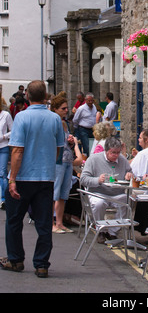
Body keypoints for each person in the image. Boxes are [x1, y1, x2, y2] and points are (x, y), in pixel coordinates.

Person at [0, 80, 64, 277]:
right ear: (45, 96)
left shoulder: (21, 117)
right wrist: (46, 166)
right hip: (45, 179)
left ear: (27, 95)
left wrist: (12, 179)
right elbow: (58, 148)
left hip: (24, 178)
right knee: (44, 222)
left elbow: (17, 151)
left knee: (13, 221)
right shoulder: (54, 119)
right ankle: (41, 264)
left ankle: (16, 260)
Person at [80, 136, 133, 243]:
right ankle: (101, 230)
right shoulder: (93, 159)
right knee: (99, 203)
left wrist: (129, 175)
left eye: (118, 152)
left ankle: (113, 232)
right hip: (97, 192)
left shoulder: (122, 160)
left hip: (117, 193)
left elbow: (131, 173)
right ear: (106, 150)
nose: (116, 155)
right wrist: (98, 180)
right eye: (113, 152)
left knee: (127, 201)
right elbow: (83, 179)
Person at [51, 93, 84, 234]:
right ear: (55, 109)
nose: (66, 111)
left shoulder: (65, 123)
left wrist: (71, 142)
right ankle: (51, 223)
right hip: (58, 161)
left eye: (66, 108)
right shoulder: (53, 122)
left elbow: (65, 144)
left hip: (67, 160)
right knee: (55, 193)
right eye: (63, 108)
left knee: (63, 194)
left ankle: (60, 222)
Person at [72, 92, 97, 157]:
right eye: (89, 101)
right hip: (83, 129)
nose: (90, 102)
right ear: (86, 100)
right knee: (87, 146)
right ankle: (89, 160)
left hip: (92, 129)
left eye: (92, 100)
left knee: (93, 146)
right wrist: (77, 128)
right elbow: (75, 119)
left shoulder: (94, 107)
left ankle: (90, 159)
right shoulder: (81, 108)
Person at [0, 100, 13, 209]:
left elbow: (12, 130)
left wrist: (4, 136)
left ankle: (4, 198)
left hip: (3, 146)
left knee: (3, 172)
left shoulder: (5, 115)